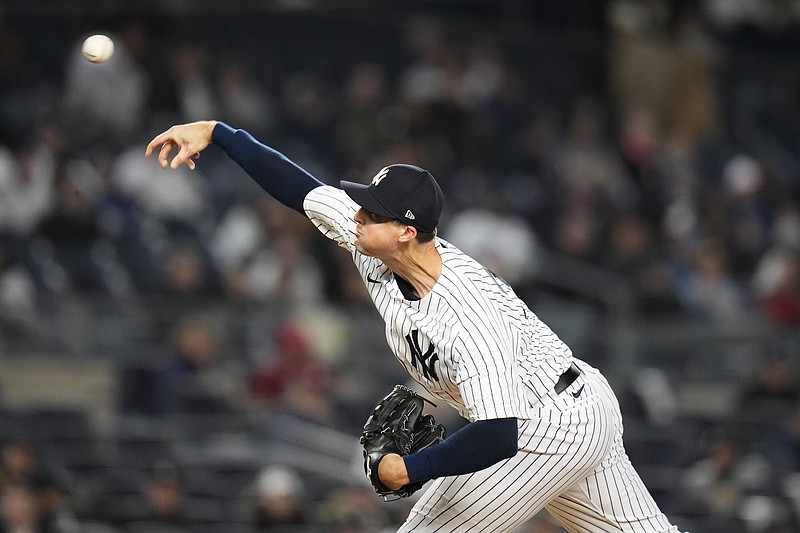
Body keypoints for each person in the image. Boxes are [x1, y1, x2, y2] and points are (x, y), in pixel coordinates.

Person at [146, 120, 682, 532]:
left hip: (546, 424)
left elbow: (499, 433)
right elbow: (300, 190)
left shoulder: (467, 314)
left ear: (406, 231)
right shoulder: (377, 248)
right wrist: (220, 133)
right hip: (571, 405)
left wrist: (414, 468)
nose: (357, 215)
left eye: (371, 213)